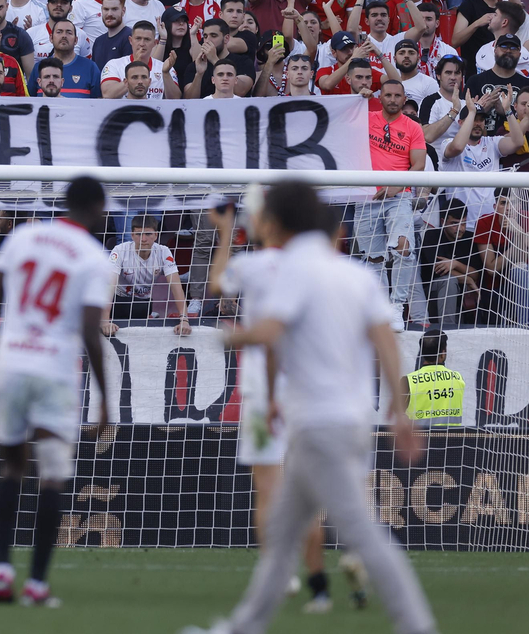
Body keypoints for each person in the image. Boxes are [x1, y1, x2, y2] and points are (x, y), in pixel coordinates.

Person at [194, 181, 437, 634]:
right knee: (284, 536)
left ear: (277, 223)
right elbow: (386, 343)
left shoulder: (293, 271)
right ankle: (241, 626)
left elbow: (267, 334)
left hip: (319, 423)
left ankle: (418, 625)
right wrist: (400, 412)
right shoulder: (357, 275)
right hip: (345, 420)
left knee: (362, 535)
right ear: (337, 233)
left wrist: (231, 337)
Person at [0, 174, 112, 606]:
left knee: (11, 467)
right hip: (54, 370)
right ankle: (36, 583)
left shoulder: (24, 235)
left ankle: (0, 569)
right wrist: (106, 397)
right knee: (52, 477)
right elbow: (92, 332)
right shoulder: (94, 257)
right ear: (95, 209)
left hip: (12, 363)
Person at [405, 327, 464, 425]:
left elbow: (398, 415)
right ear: (443, 353)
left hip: (419, 439)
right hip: (452, 439)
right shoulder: (457, 378)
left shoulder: (408, 381)